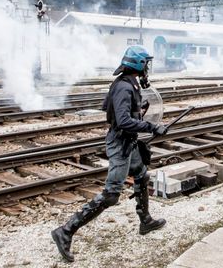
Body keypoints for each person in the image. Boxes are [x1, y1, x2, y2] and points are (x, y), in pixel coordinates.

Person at [51, 46, 168, 263]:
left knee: (142, 176)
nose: (148, 69)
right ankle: (65, 231)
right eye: (146, 64)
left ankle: (146, 221)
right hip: (120, 143)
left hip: (129, 142)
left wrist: (137, 109)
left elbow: (109, 107)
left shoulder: (126, 83)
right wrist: (151, 127)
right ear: (139, 65)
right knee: (112, 194)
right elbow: (122, 121)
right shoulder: (124, 86)